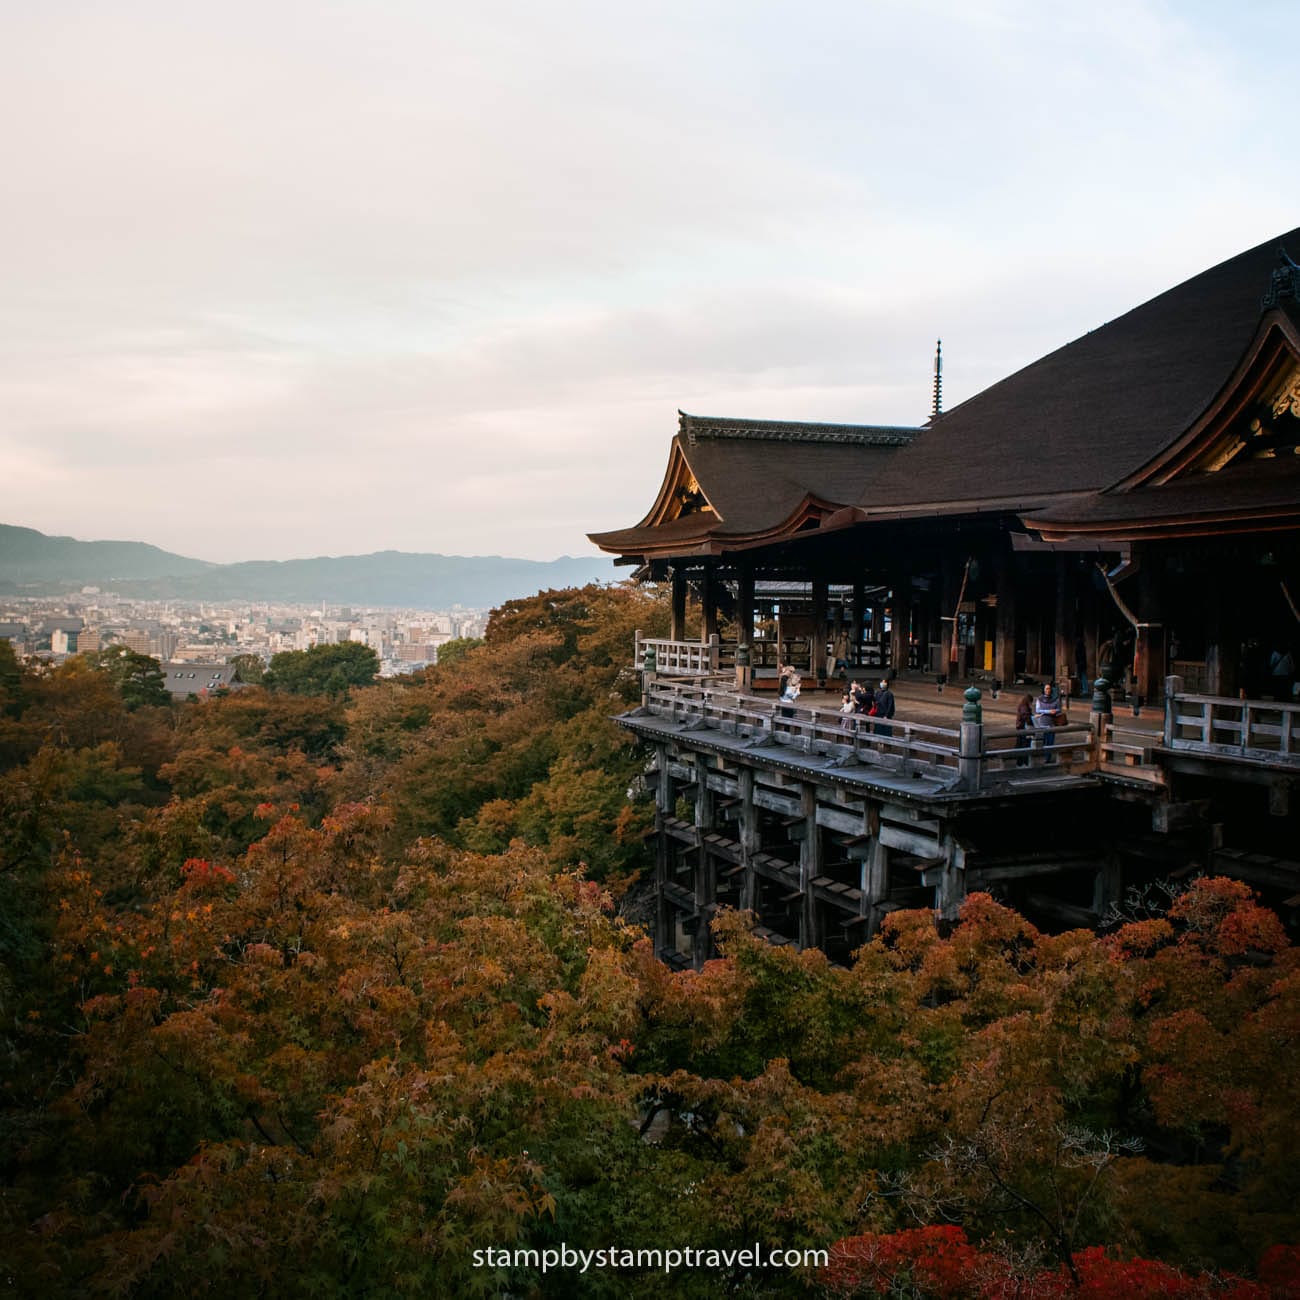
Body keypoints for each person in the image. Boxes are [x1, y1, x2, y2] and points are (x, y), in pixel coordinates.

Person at [1032, 681, 1064, 762]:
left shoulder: (1055, 699)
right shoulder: (1039, 699)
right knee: (1043, 742)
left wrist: (1055, 711)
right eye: (1046, 689)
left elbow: (1059, 709)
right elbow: (1037, 710)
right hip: (1042, 723)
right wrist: (1048, 711)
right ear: (1043, 690)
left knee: (1050, 742)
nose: (1048, 690)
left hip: (1052, 723)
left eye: (1049, 688)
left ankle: (1048, 758)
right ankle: (1043, 757)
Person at [1014, 692, 1034, 766]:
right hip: (1023, 728)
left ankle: (1020, 761)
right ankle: (1022, 761)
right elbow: (1026, 716)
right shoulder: (1024, 707)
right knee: (1023, 744)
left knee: (1020, 744)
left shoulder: (1023, 706)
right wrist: (1032, 720)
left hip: (1020, 727)